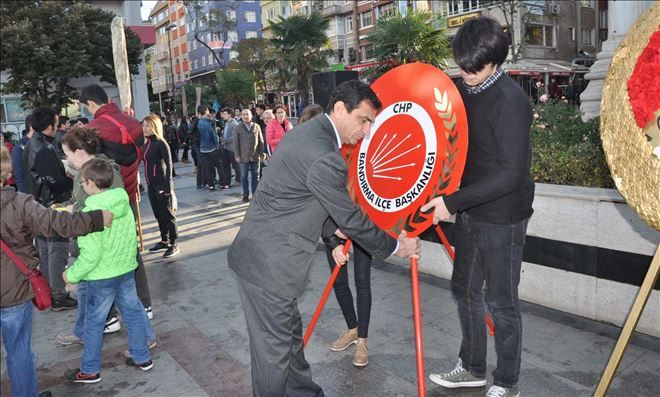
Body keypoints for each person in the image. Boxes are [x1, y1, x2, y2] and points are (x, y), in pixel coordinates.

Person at [228, 80, 421, 396]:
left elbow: (300, 196)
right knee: (274, 362)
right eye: (364, 120)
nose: (367, 130)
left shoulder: (311, 133)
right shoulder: (324, 153)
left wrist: (332, 228)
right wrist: (398, 246)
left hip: (268, 261)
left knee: (288, 344)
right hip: (269, 267)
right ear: (341, 109)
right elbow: (351, 216)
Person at [421, 17, 534, 397]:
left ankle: (507, 381)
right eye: (462, 65)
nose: (466, 74)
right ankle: (471, 367)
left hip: (503, 217)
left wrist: (451, 202)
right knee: (464, 290)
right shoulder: (456, 89)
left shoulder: (512, 101)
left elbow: (510, 174)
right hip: (468, 211)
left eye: (475, 68)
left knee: (502, 302)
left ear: (495, 59)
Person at [1, 143, 112, 397]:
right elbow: (56, 223)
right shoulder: (19, 203)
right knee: (19, 350)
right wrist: (94, 219)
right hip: (13, 291)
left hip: (12, 292)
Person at [63, 158, 154, 383]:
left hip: (101, 276)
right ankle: (142, 356)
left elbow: (91, 254)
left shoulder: (92, 210)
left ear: (93, 183)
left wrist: (71, 275)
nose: (82, 186)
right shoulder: (122, 199)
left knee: (94, 323)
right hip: (125, 270)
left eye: (83, 182)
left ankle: (90, 369)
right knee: (132, 313)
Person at [79, 84, 154, 320]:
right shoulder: (133, 124)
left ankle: (108, 316)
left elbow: (91, 167)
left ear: (91, 103)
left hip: (103, 199)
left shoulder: (93, 128)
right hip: (128, 195)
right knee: (131, 250)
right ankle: (145, 304)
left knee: (102, 254)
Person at [22, 107, 76, 311]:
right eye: (56, 122)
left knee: (45, 251)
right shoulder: (42, 146)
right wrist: (70, 180)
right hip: (50, 205)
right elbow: (55, 181)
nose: (58, 125)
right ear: (48, 126)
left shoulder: (34, 143)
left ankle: (49, 292)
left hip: (36, 204)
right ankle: (58, 295)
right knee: (57, 250)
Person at [142, 115, 180, 257]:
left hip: (161, 183)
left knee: (167, 214)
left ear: (155, 126)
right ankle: (164, 240)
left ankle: (174, 243)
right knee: (158, 214)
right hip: (151, 184)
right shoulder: (146, 144)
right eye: (143, 125)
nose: (144, 128)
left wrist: (169, 185)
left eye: (148, 125)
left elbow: (169, 164)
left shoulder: (160, 142)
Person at [233, 109, 264, 202]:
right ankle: (245, 194)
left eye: (247, 114)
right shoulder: (238, 127)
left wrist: (261, 154)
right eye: (244, 114)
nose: (246, 116)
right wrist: (237, 155)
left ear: (251, 116)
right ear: (241, 116)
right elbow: (235, 143)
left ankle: (255, 194)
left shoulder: (256, 126)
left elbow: (261, 142)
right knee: (243, 176)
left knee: (256, 176)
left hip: (255, 156)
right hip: (243, 156)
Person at [196, 105, 220, 191]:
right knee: (218, 166)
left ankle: (211, 186)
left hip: (202, 148)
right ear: (206, 111)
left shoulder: (198, 122)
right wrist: (217, 144)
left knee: (207, 168)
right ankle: (223, 184)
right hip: (211, 147)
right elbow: (213, 135)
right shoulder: (208, 122)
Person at [12, 115, 34, 193]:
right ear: (31, 127)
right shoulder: (19, 148)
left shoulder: (43, 143)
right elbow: (19, 176)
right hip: (30, 195)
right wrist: (26, 197)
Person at [220, 107, 240, 186]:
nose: (223, 116)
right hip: (225, 148)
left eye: (225, 114)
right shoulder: (226, 123)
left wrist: (226, 140)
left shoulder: (234, 123)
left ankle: (239, 180)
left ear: (230, 114)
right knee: (226, 166)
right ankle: (227, 181)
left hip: (232, 148)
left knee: (236, 165)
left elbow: (235, 137)